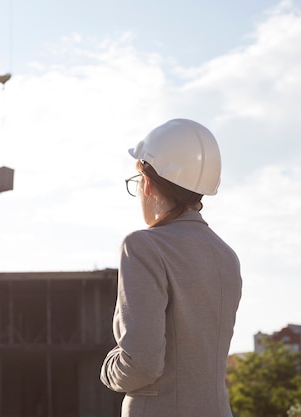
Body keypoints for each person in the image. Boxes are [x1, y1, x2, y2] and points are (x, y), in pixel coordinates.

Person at [100, 119, 242, 417]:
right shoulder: (227, 256)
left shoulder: (142, 247)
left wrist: (108, 369)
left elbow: (142, 363)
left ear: (147, 183)